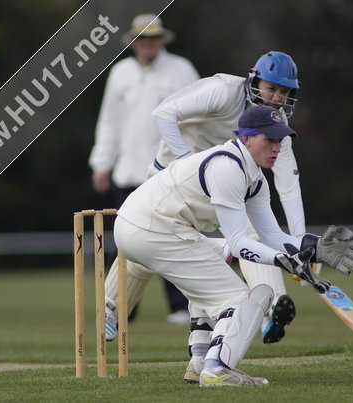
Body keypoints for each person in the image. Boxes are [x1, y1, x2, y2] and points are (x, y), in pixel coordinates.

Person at [113, 106, 353, 386]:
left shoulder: (254, 179)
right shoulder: (228, 166)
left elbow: (272, 236)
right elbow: (239, 242)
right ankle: (217, 368)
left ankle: (199, 361)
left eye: (280, 140)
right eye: (269, 139)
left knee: (215, 263)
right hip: (152, 228)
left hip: (148, 227)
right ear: (246, 139)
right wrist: (284, 260)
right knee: (241, 298)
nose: (276, 147)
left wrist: (317, 247)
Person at [105, 51, 306, 349]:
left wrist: (300, 243)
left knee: (251, 235)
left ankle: (269, 308)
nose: (277, 98)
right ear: (254, 80)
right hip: (173, 181)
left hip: (223, 184)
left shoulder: (275, 125)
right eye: (272, 88)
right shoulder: (224, 90)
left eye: (284, 92)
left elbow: (288, 185)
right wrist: (187, 162)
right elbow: (164, 113)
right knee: (144, 248)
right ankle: (111, 308)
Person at [88, 14, 199, 326]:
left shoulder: (182, 70)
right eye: (142, 39)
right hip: (128, 173)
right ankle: (119, 309)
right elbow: (109, 122)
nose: (147, 44)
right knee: (125, 241)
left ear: (162, 40)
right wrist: (101, 163)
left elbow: (198, 119)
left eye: (153, 38)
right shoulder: (120, 73)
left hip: (170, 172)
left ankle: (183, 306)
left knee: (174, 237)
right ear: (133, 42)